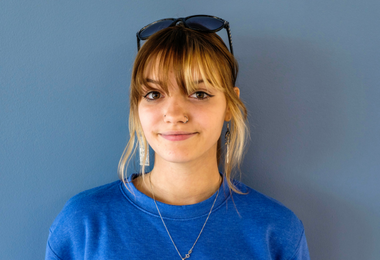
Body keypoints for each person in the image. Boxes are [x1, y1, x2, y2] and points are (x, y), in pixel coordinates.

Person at [45, 15, 310, 260]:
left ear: (230, 105)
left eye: (199, 94)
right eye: (154, 94)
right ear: (137, 107)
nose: (174, 114)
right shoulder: (82, 224)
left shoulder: (276, 231)